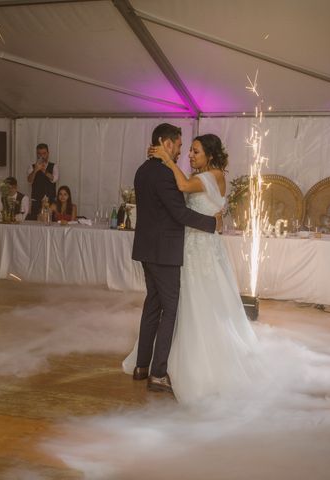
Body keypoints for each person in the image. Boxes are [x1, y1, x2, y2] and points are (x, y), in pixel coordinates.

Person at [123, 132, 263, 403]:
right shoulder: (204, 177)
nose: (188, 154)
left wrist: (167, 159)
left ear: (210, 156)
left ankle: (171, 364)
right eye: (186, 149)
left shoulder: (210, 176)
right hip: (187, 248)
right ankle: (156, 367)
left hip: (199, 249)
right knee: (183, 305)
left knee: (195, 304)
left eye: (195, 151)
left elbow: (185, 187)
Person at [123, 123, 222, 396]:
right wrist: (212, 223)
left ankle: (142, 366)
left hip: (146, 250)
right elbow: (179, 214)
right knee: (171, 310)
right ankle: (157, 373)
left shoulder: (143, 170)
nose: (181, 151)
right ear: (166, 143)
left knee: (152, 306)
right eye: (179, 145)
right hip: (164, 252)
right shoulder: (165, 174)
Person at [26, 143, 58, 219]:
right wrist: (35, 170)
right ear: (37, 154)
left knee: (50, 224)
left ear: (48, 154)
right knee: (35, 225)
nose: (41, 156)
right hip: (36, 201)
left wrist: (44, 170)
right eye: (39, 154)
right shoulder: (32, 167)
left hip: (50, 201)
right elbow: (29, 180)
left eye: (44, 153)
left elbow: (54, 179)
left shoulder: (54, 166)